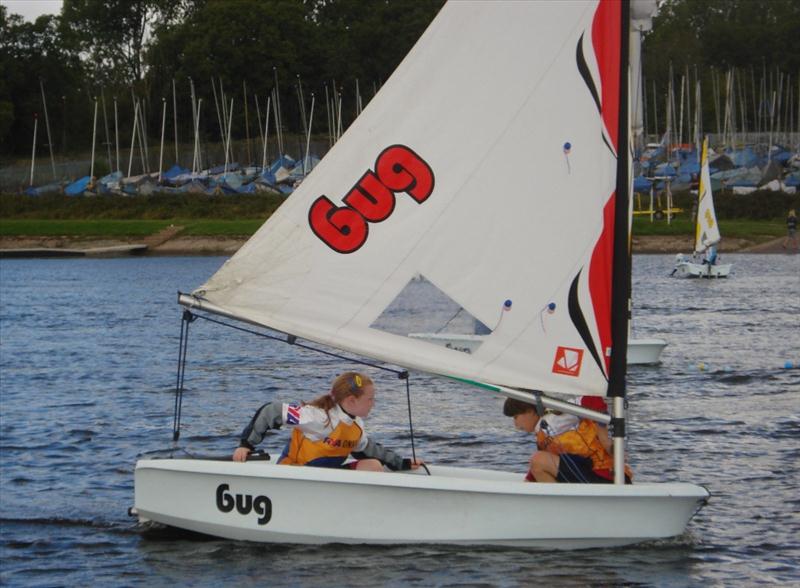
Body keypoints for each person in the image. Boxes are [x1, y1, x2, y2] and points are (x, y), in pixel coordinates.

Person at [232, 371, 424, 472]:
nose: (373, 403)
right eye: (370, 399)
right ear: (351, 401)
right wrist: (246, 444)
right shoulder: (317, 417)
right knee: (372, 465)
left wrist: (403, 464)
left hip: (326, 479)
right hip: (295, 475)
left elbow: (370, 450)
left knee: (373, 465)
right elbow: (271, 411)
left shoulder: (356, 425)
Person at [503, 397, 631, 484]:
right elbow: (540, 466)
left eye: (515, 417)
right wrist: (526, 484)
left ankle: (559, 506)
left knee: (538, 459)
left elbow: (592, 399)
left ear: (530, 411)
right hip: (589, 474)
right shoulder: (542, 432)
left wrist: (605, 439)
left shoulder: (553, 419)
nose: (515, 424)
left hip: (604, 476)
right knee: (538, 461)